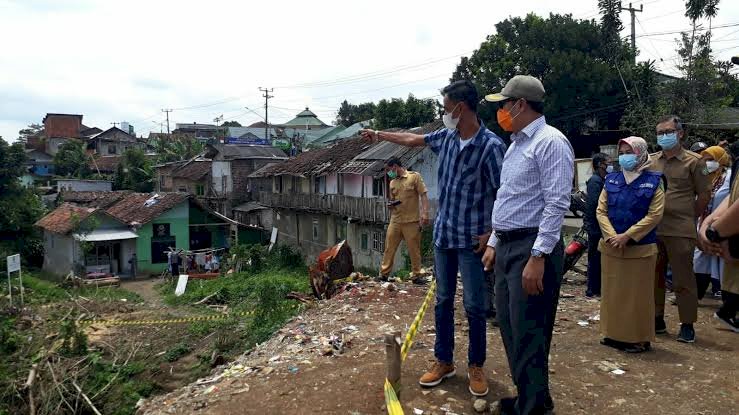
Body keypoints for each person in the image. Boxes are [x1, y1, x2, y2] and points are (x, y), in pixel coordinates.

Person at [360, 80, 506, 397]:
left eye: (445, 107)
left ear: (460, 108)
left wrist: (492, 234)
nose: (444, 113)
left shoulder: (492, 147)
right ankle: (444, 361)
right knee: (442, 301)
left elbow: (504, 194)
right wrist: (380, 135)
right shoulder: (446, 137)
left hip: (471, 242)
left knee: (474, 305)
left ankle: (476, 365)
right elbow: (413, 139)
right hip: (444, 237)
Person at [482, 75, 574, 414]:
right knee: (510, 327)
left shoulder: (551, 142)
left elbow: (556, 204)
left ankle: (533, 406)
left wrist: (539, 255)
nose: (501, 112)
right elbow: (509, 198)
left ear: (519, 104)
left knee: (530, 331)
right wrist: (494, 241)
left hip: (532, 247)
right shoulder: (516, 145)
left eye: (504, 105)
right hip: (508, 246)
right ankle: (531, 397)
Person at [596, 137, 665, 353]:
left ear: (642, 153)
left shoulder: (654, 180)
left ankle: (638, 339)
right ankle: (614, 334)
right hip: (612, 247)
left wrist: (627, 236)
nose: (625, 156)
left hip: (639, 249)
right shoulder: (612, 180)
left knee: (637, 296)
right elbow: (601, 210)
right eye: (623, 151)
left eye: (631, 151)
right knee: (612, 294)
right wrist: (611, 236)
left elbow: (655, 215)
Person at [651, 115, 711, 343]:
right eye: (660, 133)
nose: (664, 136)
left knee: (683, 279)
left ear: (680, 133)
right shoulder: (652, 161)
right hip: (654, 228)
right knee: (654, 277)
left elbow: (705, 194)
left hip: (680, 229)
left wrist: (689, 215)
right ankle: (657, 318)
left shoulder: (694, 162)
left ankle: (687, 324)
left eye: (668, 131)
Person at [379, 157, 430, 283]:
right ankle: (384, 274)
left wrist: (425, 213)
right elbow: (392, 200)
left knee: (414, 249)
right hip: (396, 220)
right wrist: (391, 205)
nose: (388, 172)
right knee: (389, 247)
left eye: (389, 169)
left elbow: (423, 195)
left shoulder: (414, 177)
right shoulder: (392, 183)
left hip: (411, 221)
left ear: (395, 166)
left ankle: (416, 275)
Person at [694, 146, 732, 300]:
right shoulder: (704, 175)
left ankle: (727, 298)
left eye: (712, 159)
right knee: (699, 259)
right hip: (703, 221)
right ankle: (696, 294)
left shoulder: (729, 177)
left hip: (723, 225)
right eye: (706, 159)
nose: (708, 163)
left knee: (722, 260)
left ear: (721, 159)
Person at [584, 153, 612, 297]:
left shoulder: (601, 180)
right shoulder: (595, 181)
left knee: (598, 258)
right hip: (596, 227)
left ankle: (597, 287)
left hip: (598, 226)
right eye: (608, 162)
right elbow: (594, 204)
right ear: (601, 164)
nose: (611, 165)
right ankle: (592, 289)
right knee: (595, 258)